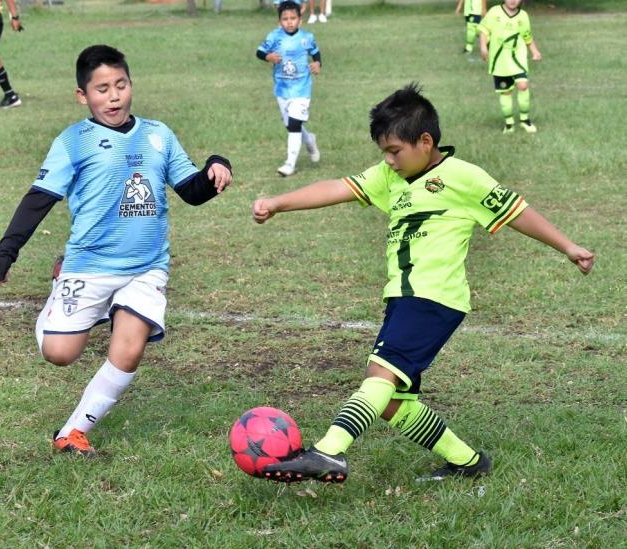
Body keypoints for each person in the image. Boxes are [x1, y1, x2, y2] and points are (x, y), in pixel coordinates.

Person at [252, 84, 594, 483]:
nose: (388, 160)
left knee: (380, 376)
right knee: (394, 402)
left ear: (425, 141)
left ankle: (329, 451)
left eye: (394, 150)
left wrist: (568, 246)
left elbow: (517, 211)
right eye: (384, 152)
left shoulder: (463, 177)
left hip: (434, 298)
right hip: (403, 297)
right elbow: (338, 187)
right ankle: (467, 462)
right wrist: (278, 203)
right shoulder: (389, 177)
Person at [0, 45, 233, 456]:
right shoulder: (73, 142)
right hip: (89, 264)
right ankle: (58, 291)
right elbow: (40, 197)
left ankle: (73, 431)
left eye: (120, 85)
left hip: (146, 266)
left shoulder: (158, 134)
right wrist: (7, 249)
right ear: (82, 96)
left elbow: (192, 192)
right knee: (60, 353)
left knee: (130, 345)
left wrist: (215, 167)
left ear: (131, 85)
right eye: (102, 89)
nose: (114, 96)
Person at [257, 1, 321, 177]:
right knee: (292, 125)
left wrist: (317, 64)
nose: (289, 22)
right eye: (285, 19)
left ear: (300, 20)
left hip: (302, 89)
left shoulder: (307, 37)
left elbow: (315, 53)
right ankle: (309, 140)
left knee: (294, 125)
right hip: (282, 89)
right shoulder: (274, 37)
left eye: (293, 18)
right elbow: (259, 52)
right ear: (279, 21)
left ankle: (289, 164)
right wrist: (268, 56)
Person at [478, 0, 542, 133]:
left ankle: (525, 120)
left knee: (523, 86)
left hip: (518, 58)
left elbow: (527, 36)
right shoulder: (495, 12)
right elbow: (484, 30)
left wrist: (534, 51)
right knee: (505, 92)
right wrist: (483, 47)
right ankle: (509, 124)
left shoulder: (523, 16)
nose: (513, 0)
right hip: (500, 60)